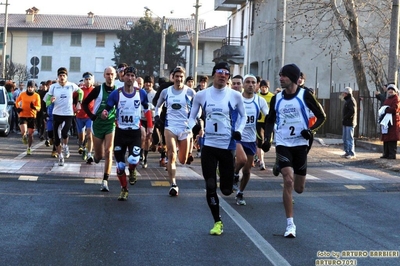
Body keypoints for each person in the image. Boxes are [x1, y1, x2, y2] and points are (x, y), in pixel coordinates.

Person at [261, 63, 326, 238]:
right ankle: (290, 224)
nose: (281, 78)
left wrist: (311, 131)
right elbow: (269, 120)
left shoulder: (305, 96)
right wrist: (268, 139)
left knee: (299, 188)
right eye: (280, 75)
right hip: (283, 143)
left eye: (284, 76)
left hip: (300, 145)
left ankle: (283, 166)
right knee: (288, 180)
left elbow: (322, 116)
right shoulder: (277, 98)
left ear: (294, 78)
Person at [188, 62, 246, 235]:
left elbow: (243, 117)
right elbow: (192, 117)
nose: (223, 75)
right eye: (220, 72)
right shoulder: (201, 95)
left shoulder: (235, 96)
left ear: (228, 77)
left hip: (227, 147)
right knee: (210, 185)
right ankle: (217, 222)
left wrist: (238, 131)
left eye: (226, 73)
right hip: (209, 146)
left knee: (226, 190)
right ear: (214, 75)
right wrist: (193, 128)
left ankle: (226, 175)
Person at [102, 66, 153, 201]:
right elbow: (107, 108)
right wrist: (105, 113)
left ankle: (132, 170)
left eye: (132, 76)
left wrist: (150, 126)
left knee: (133, 159)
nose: (129, 78)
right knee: (119, 165)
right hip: (120, 132)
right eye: (127, 75)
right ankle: (124, 189)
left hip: (135, 133)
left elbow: (147, 110)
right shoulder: (116, 93)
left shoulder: (141, 93)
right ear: (123, 77)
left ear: (135, 78)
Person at [154, 66, 196, 196]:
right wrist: (156, 116)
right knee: (171, 155)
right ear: (173, 77)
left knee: (182, 160)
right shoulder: (166, 92)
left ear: (184, 77)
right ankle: (173, 184)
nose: (179, 79)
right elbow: (158, 106)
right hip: (170, 126)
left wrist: (193, 121)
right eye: (176, 76)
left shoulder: (190, 92)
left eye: (181, 76)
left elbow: (197, 108)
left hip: (185, 128)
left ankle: (183, 153)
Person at [233, 74, 269, 205]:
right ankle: (235, 174)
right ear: (243, 85)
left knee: (247, 171)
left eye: (253, 82)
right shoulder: (236, 99)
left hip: (251, 138)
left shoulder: (260, 101)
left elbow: (269, 116)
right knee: (241, 160)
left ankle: (240, 192)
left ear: (257, 85)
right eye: (247, 82)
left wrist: (276, 129)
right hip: (237, 137)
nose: (250, 84)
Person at [82, 66, 117, 192]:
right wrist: (92, 116)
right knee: (99, 156)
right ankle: (94, 156)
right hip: (97, 125)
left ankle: (105, 180)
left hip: (110, 124)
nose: (110, 76)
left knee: (108, 151)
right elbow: (84, 103)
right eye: (107, 74)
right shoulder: (98, 89)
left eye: (112, 74)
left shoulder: (118, 91)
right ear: (104, 75)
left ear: (116, 75)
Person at [46, 67, 83, 166]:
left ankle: (66, 146)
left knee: (64, 132)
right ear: (57, 77)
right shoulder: (53, 86)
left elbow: (80, 92)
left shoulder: (71, 85)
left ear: (66, 77)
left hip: (68, 113)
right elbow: (46, 101)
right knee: (57, 138)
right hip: (57, 113)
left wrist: (79, 102)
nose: (62, 77)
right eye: (60, 76)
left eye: (64, 76)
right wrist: (51, 101)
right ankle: (60, 157)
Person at [15, 80, 41, 155]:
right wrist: (18, 108)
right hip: (23, 115)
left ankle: (29, 148)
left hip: (32, 116)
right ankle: (23, 136)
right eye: (29, 87)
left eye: (31, 87)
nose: (30, 89)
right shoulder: (22, 94)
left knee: (30, 134)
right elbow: (17, 102)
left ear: (34, 88)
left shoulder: (36, 96)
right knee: (24, 131)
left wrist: (34, 107)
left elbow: (39, 107)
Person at [75, 72, 94, 161]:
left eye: (89, 79)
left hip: (89, 116)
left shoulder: (95, 90)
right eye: (86, 79)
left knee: (90, 135)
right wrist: (74, 107)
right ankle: (81, 145)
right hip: (79, 115)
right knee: (81, 137)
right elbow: (72, 100)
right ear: (83, 80)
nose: (88, 81)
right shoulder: (79, 90)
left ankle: (89, 154)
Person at [378, 84, 400, 159]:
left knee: (392, 138)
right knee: (386, 137)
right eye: (389, 91)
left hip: (393, 120)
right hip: (386, 120)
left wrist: (386, 110)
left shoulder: (396, 98)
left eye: (391, 91)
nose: (390, 92)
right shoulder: (388, 99)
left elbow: (395, 109)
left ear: (395, 91)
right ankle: (386, 153)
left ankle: (392, 154)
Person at [256, 79, 273, 170]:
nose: (263, 89)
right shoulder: (256, 96)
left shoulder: (272, 97)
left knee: (268, 143)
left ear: (268, 88)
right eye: (262, 87)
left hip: (269, 123)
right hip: (259, 122)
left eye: (265, 87)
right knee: (260, 141)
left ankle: (261, 156)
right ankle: (261, 161)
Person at [140, 75, 156, 168]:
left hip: (151, 119)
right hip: (141, 118)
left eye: (150, 82)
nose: (148, 84)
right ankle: (141, 153)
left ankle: (145, 158)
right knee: (142, 136)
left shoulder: (155, 94)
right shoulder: (140, 92)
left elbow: (158, 106)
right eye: (146, 82)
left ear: (152, 84)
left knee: (148, 138)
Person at [340, 87, 357, 159]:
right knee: (345, 138)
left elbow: (352, 111)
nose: (343, 94)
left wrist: (345, 117)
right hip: (346, 122)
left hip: (349, 122)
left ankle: (351, 153)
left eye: (344, 93)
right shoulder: (348, 100)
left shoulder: (351, 100)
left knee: (349, 138)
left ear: (347, 93)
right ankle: (347, 152)